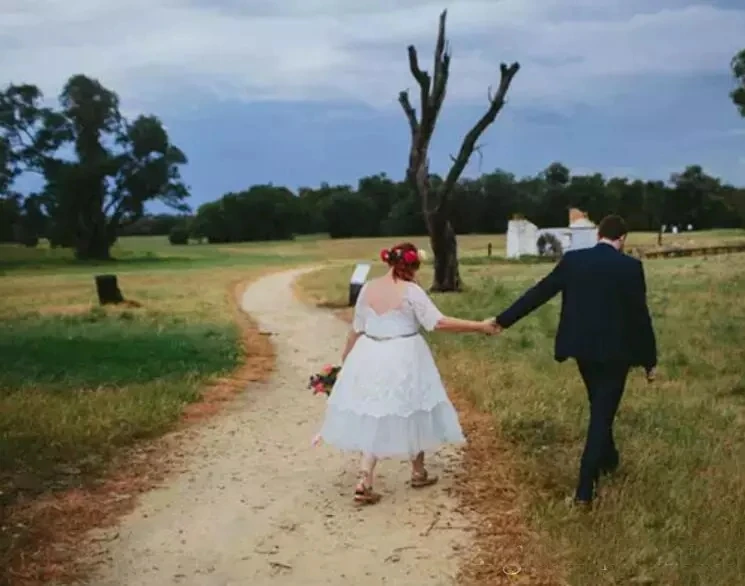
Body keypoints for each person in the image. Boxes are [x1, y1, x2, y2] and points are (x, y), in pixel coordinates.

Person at [491, 215, 657, 507]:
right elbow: (639, 317)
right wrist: (649, 359)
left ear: (598, 236)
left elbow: (540, 292)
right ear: (623, 239)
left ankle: (609, 459)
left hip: (581, 350)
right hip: (616, 355)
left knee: (600, 405)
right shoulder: (631, 267)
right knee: (602, 414)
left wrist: (503, 321)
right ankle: (584, 490)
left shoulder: (574, 260)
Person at [319, 242, 498, 505]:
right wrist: (479, 326)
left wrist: (346, 360)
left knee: (375, 410)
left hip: (369, 352)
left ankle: (380, 475)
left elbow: (357, 328)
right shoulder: (411, 292)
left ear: (390, 262)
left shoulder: (368, 288)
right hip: (404, 353)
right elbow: (438, 322)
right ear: (413, 266)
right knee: (412, 406)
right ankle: (398, 474)